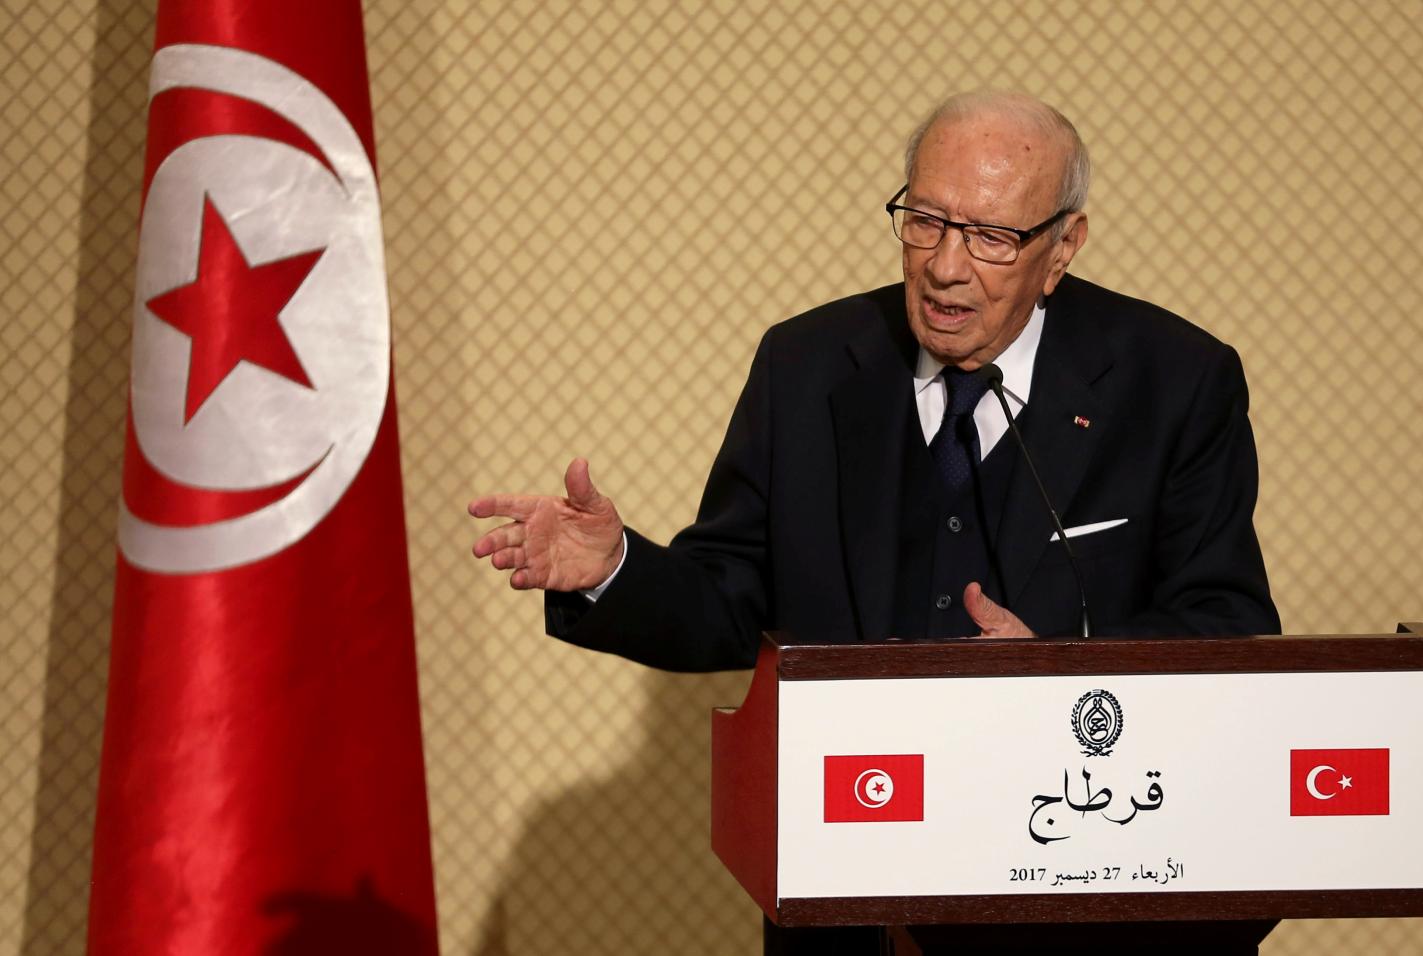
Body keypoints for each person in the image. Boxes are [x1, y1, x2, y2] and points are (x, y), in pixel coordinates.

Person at [469, 90, 1279, 672]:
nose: (945, 268)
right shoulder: (807, 364)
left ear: (1063, 248)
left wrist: (1061, 669)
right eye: (925, 221)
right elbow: (727, 608)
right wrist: (615, 569)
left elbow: (1229, 627)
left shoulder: (1174, 382)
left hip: (1066, 845)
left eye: (992, 236)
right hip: (847, 856)